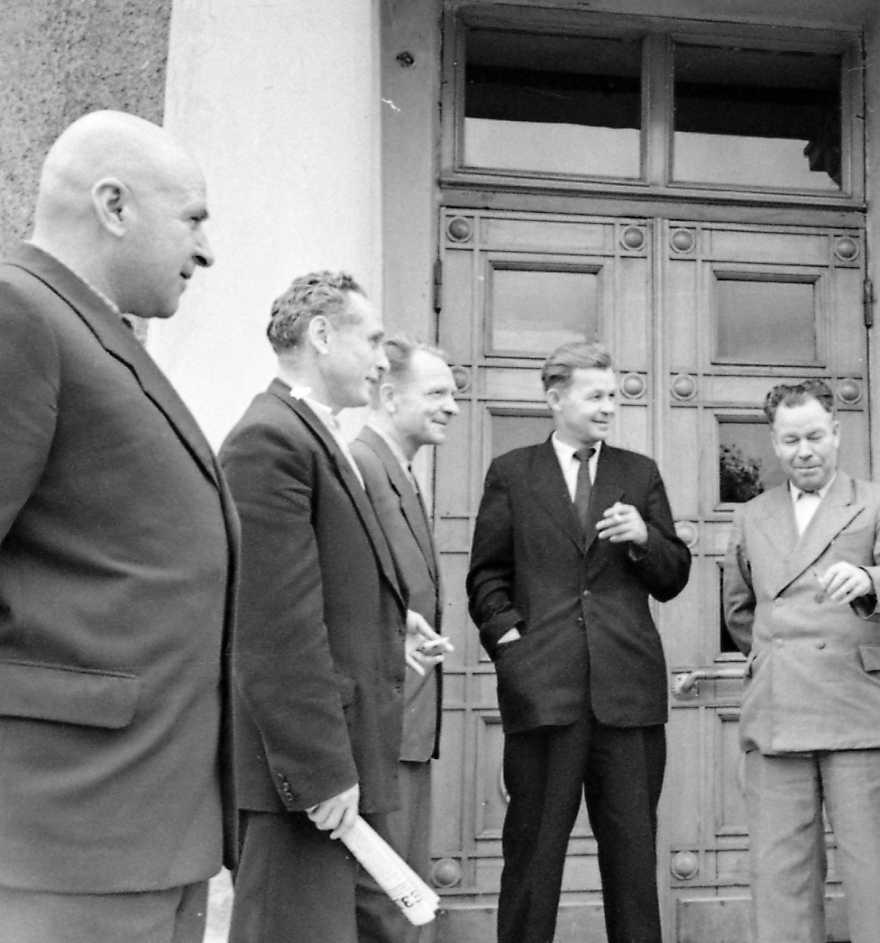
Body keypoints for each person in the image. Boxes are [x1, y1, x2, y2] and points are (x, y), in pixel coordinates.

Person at [0, 110, 234, 943]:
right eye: (193, 218)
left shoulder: (90, 328)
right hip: (66, 838)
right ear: (114, 205)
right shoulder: (19, 311)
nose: (207, 250)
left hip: (144, 831)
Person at [466, 340, 691, 943]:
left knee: (633, 864)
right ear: (554, 398)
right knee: (533, 859)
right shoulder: (512, 473)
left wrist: (645, 538)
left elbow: (672, 577)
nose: (608, 407)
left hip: (628, 696)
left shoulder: (638, 473)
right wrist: (513, 649)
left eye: (613, 396)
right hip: (544, 693)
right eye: (595, 396)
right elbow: (487, 577)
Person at [220, 270, 408, 943]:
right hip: (304, 782)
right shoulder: (271, 439)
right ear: (322, 335)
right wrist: (319, 774)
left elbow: (324, 588)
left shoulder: (312, 434)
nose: (383, 360)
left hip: (339, 765)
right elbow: (272, 627)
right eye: (373, 340)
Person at [722, 378, 880, 943]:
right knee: (779, 883)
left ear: (836, 433)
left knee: (877, 878)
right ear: (774, 443)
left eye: (815, 436)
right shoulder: (751, 516)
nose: (804, 451)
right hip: (777, 714)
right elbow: (740, 613)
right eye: (790, 441)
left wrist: (869, 579)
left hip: (859, 711)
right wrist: (776, 661)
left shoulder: (879, 501)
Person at [351, 335, 458, 942]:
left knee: (404, 903)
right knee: (385, 910)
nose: (452, 406)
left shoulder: (399, 472)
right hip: (381, 728)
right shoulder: (361, 468)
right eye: (437, 393)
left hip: (407, 726)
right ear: (390, 397)